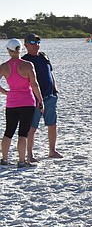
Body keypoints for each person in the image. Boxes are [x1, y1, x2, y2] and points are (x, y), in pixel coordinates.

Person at [1, 39, 44, 168]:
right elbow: (34, 84)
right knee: (23, 133)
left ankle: (4, 158)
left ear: (9, 50)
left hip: (12, 103)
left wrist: (5, 92)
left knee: (8, 131)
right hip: (27, 102)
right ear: (20, 49)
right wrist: (40, 100)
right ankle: (21, 161)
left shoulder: (3, 66)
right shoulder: (28, 65)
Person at [22, 33, 62, 162]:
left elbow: (50, 73)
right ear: (26, 45)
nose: (36, 46)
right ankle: (30, 155)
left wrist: (55, 90)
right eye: (32, 43)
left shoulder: (44, 57)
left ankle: (52, 150)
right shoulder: (24, 61)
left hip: (49, 96)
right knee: (32, 127)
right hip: (33, 99)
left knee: (52, 124)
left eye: (38, 43)